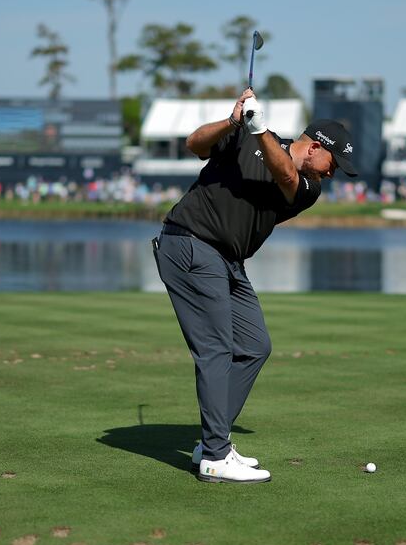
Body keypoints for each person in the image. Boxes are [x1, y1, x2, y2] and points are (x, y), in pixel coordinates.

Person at [152, 88, 357, 483]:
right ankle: (214, 455)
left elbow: (284, 173)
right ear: (315, 147)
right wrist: (233, 122)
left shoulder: (309, 188)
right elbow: (194, 144)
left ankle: (213, 441)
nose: (334, 173)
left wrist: (258, 127)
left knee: (254, 345)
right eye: (335, 163)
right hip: (190, 242)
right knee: (215, 349)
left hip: (227, 260)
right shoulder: (244, 132)